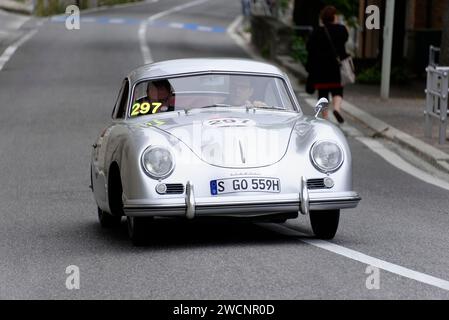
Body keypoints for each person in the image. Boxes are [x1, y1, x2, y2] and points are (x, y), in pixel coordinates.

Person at [306, 5, 349, 123]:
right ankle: (336, 109)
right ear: (334, 16)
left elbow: (309, 47)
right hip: (336, 67)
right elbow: (345, 40)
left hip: (320, 68)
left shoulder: (317, 32)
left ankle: (325, 117)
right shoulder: (341, 29)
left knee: (323, 93)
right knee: (337, 91)